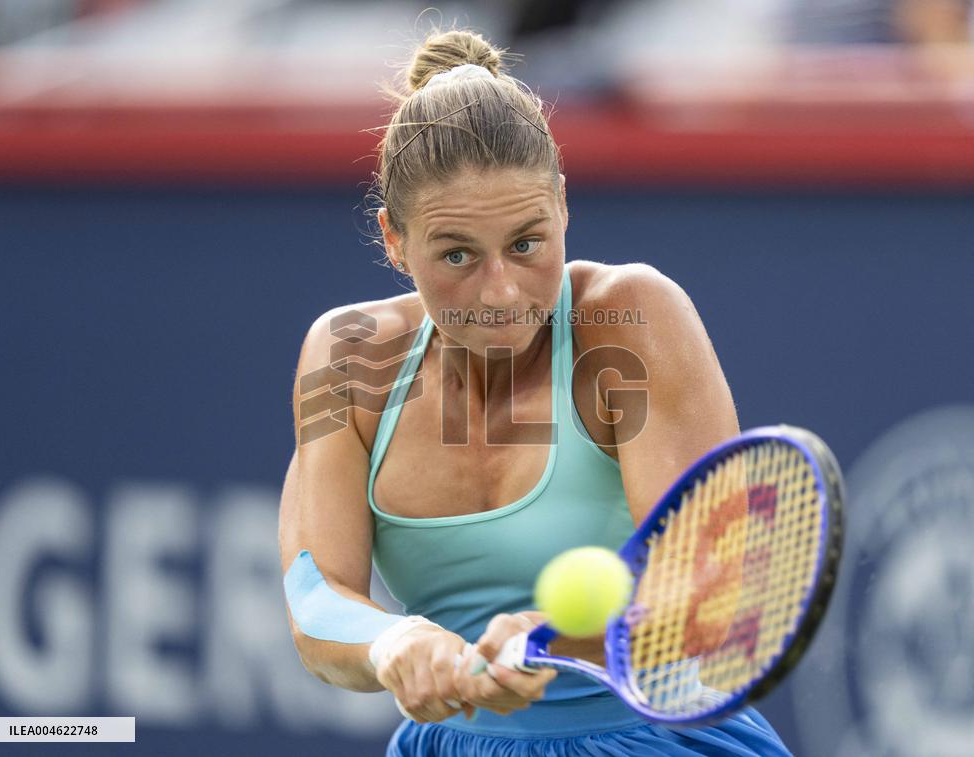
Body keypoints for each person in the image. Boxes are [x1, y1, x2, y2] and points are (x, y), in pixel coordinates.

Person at [278, 28, 792, 756]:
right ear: (395, 240)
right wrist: (394, 641)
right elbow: (314, 595)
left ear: (562, 205)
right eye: (457, 253)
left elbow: (714, 595)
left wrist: (558, 637)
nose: (500, 292)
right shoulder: (346, 356)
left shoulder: (631, 317)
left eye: (526, 243)